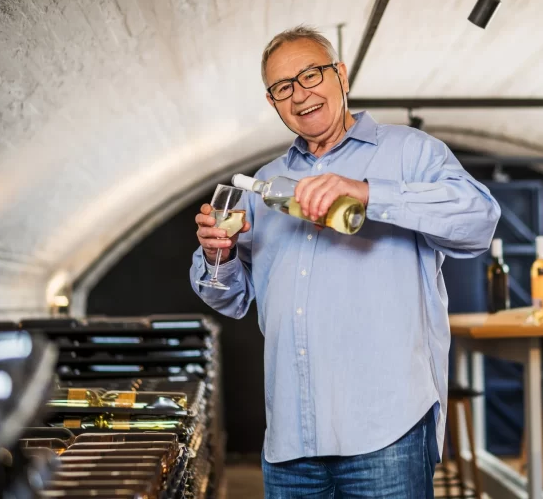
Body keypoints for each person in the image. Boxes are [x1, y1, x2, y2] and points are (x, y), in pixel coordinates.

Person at [190, 25, 501, 498]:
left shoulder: (410, 152)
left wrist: (369, 194)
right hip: (291, 440)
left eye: (311, 74)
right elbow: (229, 298)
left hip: (387, 431)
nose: (300, 94)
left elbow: (479, 221)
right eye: (283, 87)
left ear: (341, 75)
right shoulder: (264, 183)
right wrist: (219, 255)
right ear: (273, 103)